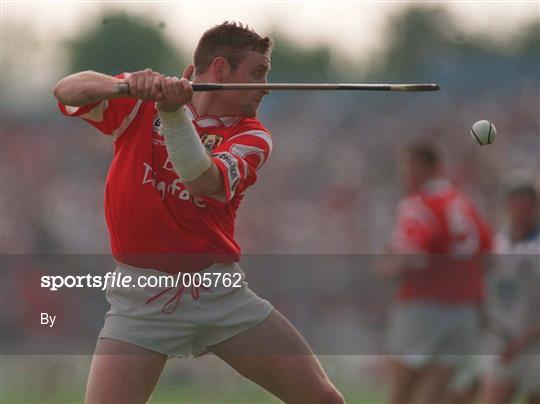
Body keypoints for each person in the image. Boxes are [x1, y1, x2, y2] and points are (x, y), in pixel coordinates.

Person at [53, 21, 344, 404]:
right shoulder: (141, 104)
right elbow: (66, 90)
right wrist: (125, 85)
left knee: (323, 400)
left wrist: (171, 113)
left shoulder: (252, 135)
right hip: (142, 298)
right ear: (221, 69)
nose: (266, 87)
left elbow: (203, 181)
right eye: (257, 74)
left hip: (219, 293)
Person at [376, 141, 492, 404]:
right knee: (436, 392)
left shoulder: (417, 204)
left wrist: (385, 267)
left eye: (409, 167)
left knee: (401, 391)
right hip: (464, 309)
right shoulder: (463, 202)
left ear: (426, 168)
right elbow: (487, 250)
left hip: (422, 305)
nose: (405, 174)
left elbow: (409, 255)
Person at [481, 182, 540, 404]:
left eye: (526, 203)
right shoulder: (496, 244)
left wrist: (525, 338)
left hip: (534, 343)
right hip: (502, 342)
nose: (520, 210)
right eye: (515, 202)